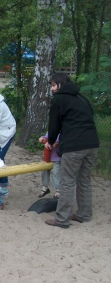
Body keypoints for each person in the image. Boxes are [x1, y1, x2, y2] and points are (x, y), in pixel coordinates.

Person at [44, 73, 99, 229]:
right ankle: (84, 215)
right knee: (84, 181)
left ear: (61, 84)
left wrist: (51, 141)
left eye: (53, 85)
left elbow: (54, 125)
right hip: (92, 143)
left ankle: (62, 219)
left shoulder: (59, 99)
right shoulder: (82, 98)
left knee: (67, 182)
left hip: (75, 146)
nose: (52, 89)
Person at [38, 132, 61, 199]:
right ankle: (45, 188)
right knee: (44, 170)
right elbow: (43, 138)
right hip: (48, 157)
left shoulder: (62, 132)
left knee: (56, 173)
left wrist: (56, 144)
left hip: (58, 158)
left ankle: (58, 191)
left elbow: (63, 142)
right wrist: (42, 140)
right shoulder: (51, 131)